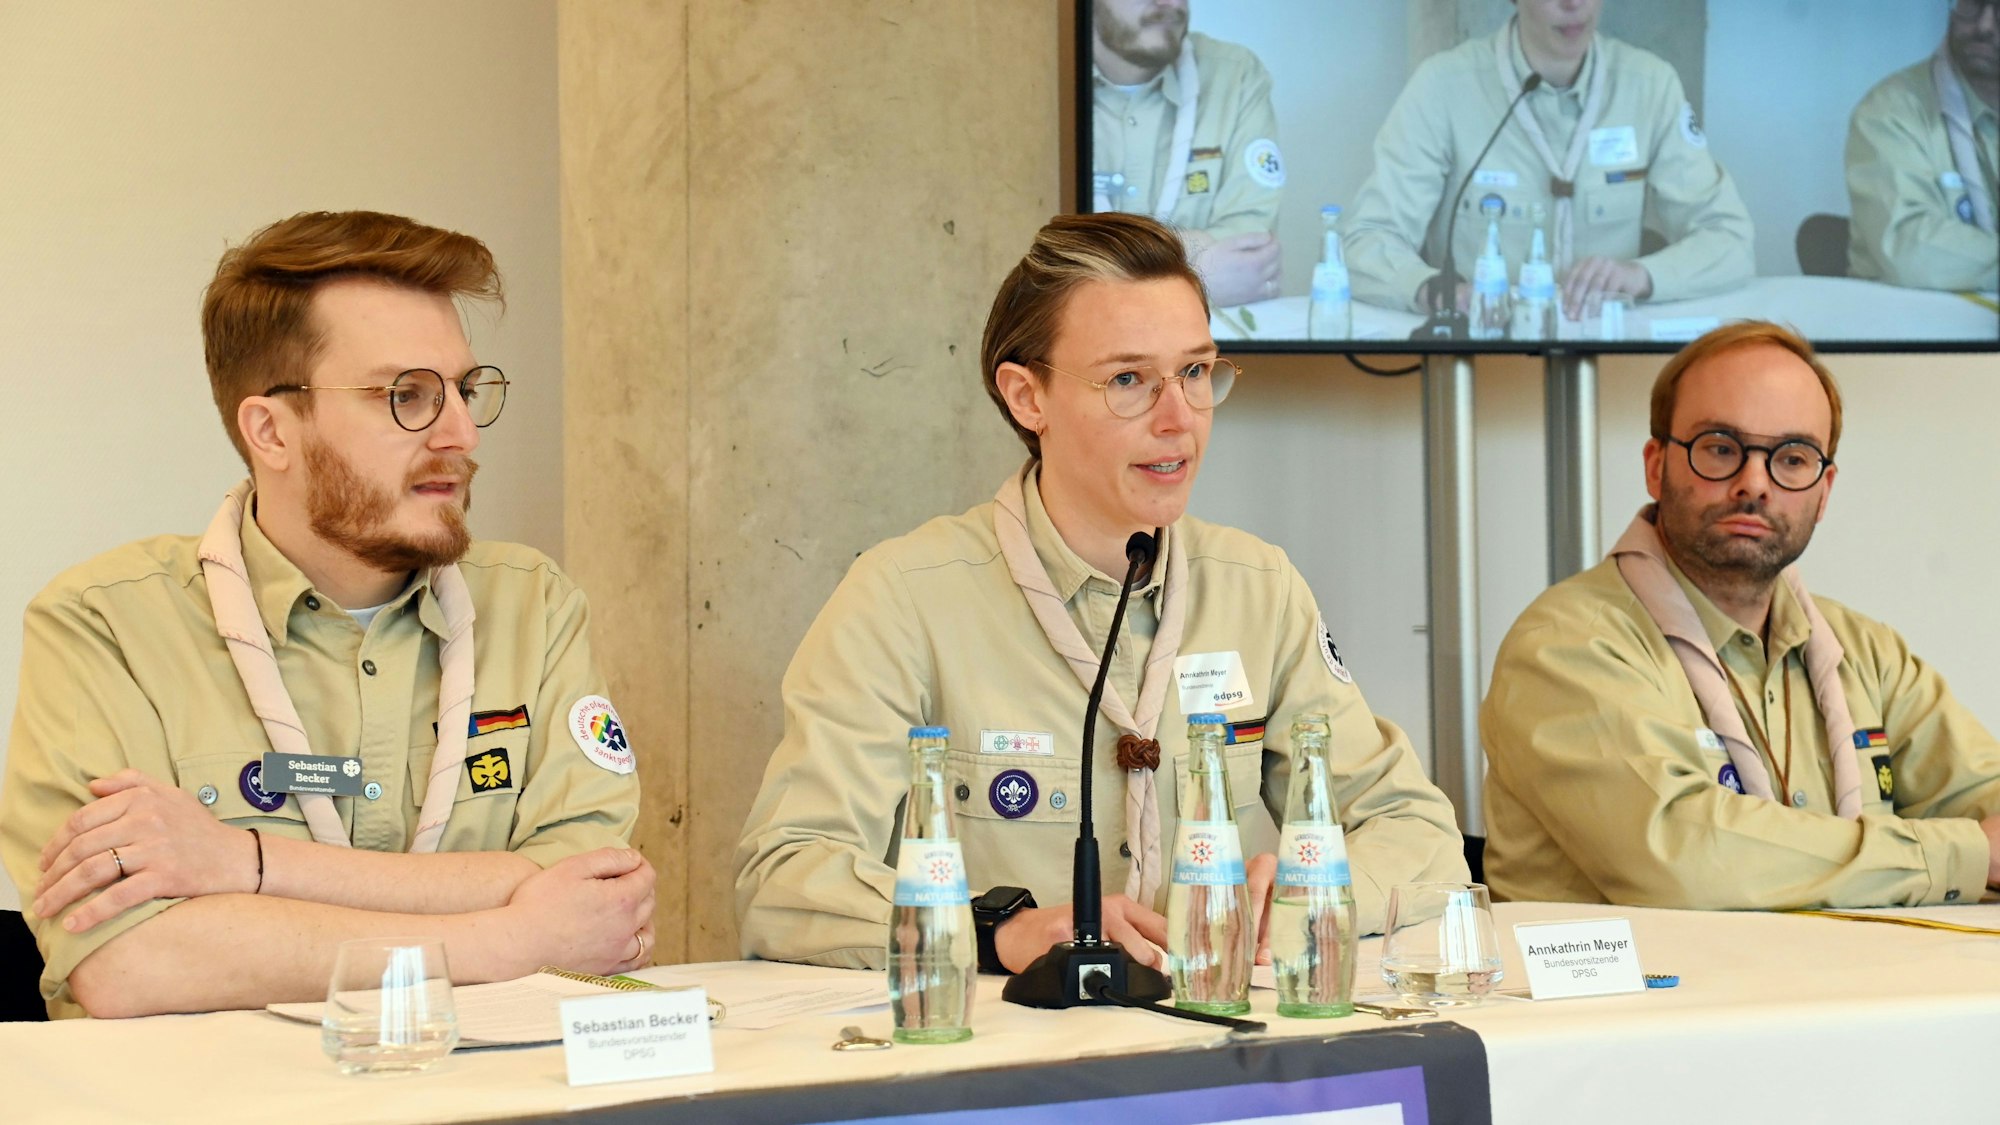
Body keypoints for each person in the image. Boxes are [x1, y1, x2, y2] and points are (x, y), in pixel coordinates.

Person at [735, 213, 1465, 976]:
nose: (1179, 419)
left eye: (1194, 372)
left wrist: (1320, 887)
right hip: (1011, 1065)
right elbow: (783, 880)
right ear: (1027, 398)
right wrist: (996, 931)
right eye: (1128, 380)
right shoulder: (904, 600)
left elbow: (1416, 830)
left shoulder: (1260, 589)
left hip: (1218, 1051)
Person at [0, 211, 652, 1019]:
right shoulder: (104, 625)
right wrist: (512, 938)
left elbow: (595, 896)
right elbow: (132, 964)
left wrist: (245, 865)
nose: (461, 431)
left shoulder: (533, 603)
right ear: (271, 429)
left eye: (466, 389)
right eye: (406, 395)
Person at [1481, 321, 2000, 908]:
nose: (1754, 483)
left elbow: (1985, 795)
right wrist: (1962, 853)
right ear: (1656, 466)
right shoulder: (1567, 645)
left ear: (1823, 490)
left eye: (1793, 458)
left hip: (1851, 993)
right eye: (1721, 449)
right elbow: (1686, 859)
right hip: (1657, 998)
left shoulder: (1867, 652)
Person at [1346, 0, 1753, 322]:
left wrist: (1640, 277)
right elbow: (1366, 241)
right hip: (1480, 357)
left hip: (1608, 359)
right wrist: (1435, 290)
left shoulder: (1649, 86)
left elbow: (1729, 240)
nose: (1574, 3)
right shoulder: (1442, 87)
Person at [1090, 0, 1286, 309]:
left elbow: (1250, 250)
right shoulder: (1033, 80)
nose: (1167, 3)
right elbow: (1031, 262)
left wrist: (1099, 271)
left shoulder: (1236, 77)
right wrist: (1195, 271)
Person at [1846, 0, 1999, 291]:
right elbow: (1907, 249)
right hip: (1906, 323)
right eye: (1972, 4)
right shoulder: (1890, 109)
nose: (1984, 26)